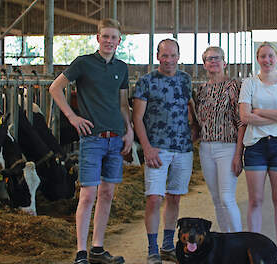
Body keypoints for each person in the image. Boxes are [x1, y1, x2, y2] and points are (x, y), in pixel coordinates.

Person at [49, 18, 133, 264]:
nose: (109, 41)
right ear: (98, 38)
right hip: (92, 139)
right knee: (88, 195)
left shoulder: (122, 67)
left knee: (107, 194)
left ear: (119, 41)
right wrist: (72, 117)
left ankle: (97, 248)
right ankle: (81, 252)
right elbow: (55, 88)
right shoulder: (83, 63)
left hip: (116, 139)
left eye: (113, 37)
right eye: (105, 36)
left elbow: (122, 104)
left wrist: (128, 131)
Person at [132, 39, 194, 264]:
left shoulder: (186, 80)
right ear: (157, 56)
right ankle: (152, 249)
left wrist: (195, 131)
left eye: (173, 55)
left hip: (183, 149)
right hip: (156, 149)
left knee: (174, 197)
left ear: (179, 56)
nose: (168, 60)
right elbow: (137, 117)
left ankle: (168, 246)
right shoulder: (146, 81)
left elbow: (190, 107)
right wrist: (146, 148)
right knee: (154, 198)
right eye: (164, 55)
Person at [238, 41, 277, 264]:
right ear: (258, 59)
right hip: (255, 146)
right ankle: (255, 249)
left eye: (271, 56)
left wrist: (260, 112)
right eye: (263, 56)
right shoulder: (249, 83)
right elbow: (245, 117)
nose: (267, 60)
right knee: (255, 200)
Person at [193, 46, 245, 232]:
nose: (213, 61)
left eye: (217, 58)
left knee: (227, 198)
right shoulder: (201, 90)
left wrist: (238, 154)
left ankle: (238, 241)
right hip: (206, 148)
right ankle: (226, 241)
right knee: (216, 199)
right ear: (205, 64)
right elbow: (198, 121)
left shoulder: (234, 86)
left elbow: (241, 122)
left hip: (228, 147)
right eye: (209, 59)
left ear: (224, 62)